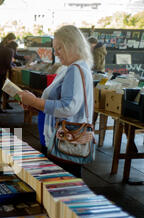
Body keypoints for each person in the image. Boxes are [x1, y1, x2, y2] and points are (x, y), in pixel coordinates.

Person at [17, 25, 94, 178]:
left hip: (65, 142)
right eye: (55, 48)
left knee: (62, 189)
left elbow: (67, 107)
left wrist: (33, 101)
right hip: (60, 139)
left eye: (59, 48)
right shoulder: (70, 68)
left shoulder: (75, 69)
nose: (55, 53)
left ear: (72, 45)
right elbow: (57, 102)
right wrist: (33, 103)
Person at [0, 41, 18, 113]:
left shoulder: (2, 49)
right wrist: (13, 67)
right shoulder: (10, 51)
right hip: (0, 72)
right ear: (14, 47)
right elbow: (8, 64)